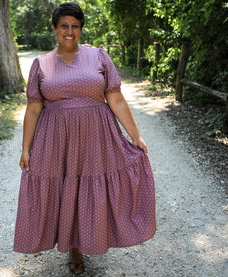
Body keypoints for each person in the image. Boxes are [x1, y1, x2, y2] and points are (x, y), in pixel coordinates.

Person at [13, 2, 155, 275]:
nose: (69, 31)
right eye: (64, 26)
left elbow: (115, 98)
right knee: (66, 189)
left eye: (75, 26)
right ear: (54, 29)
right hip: (56, 140)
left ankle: (92, 238)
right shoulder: (41, 64)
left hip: (97, 137)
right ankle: (73, 248)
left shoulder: (99, 57)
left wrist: (135, 135)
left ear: (81, 29)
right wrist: (26, 149)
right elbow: (33, 108)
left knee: (91, 188)